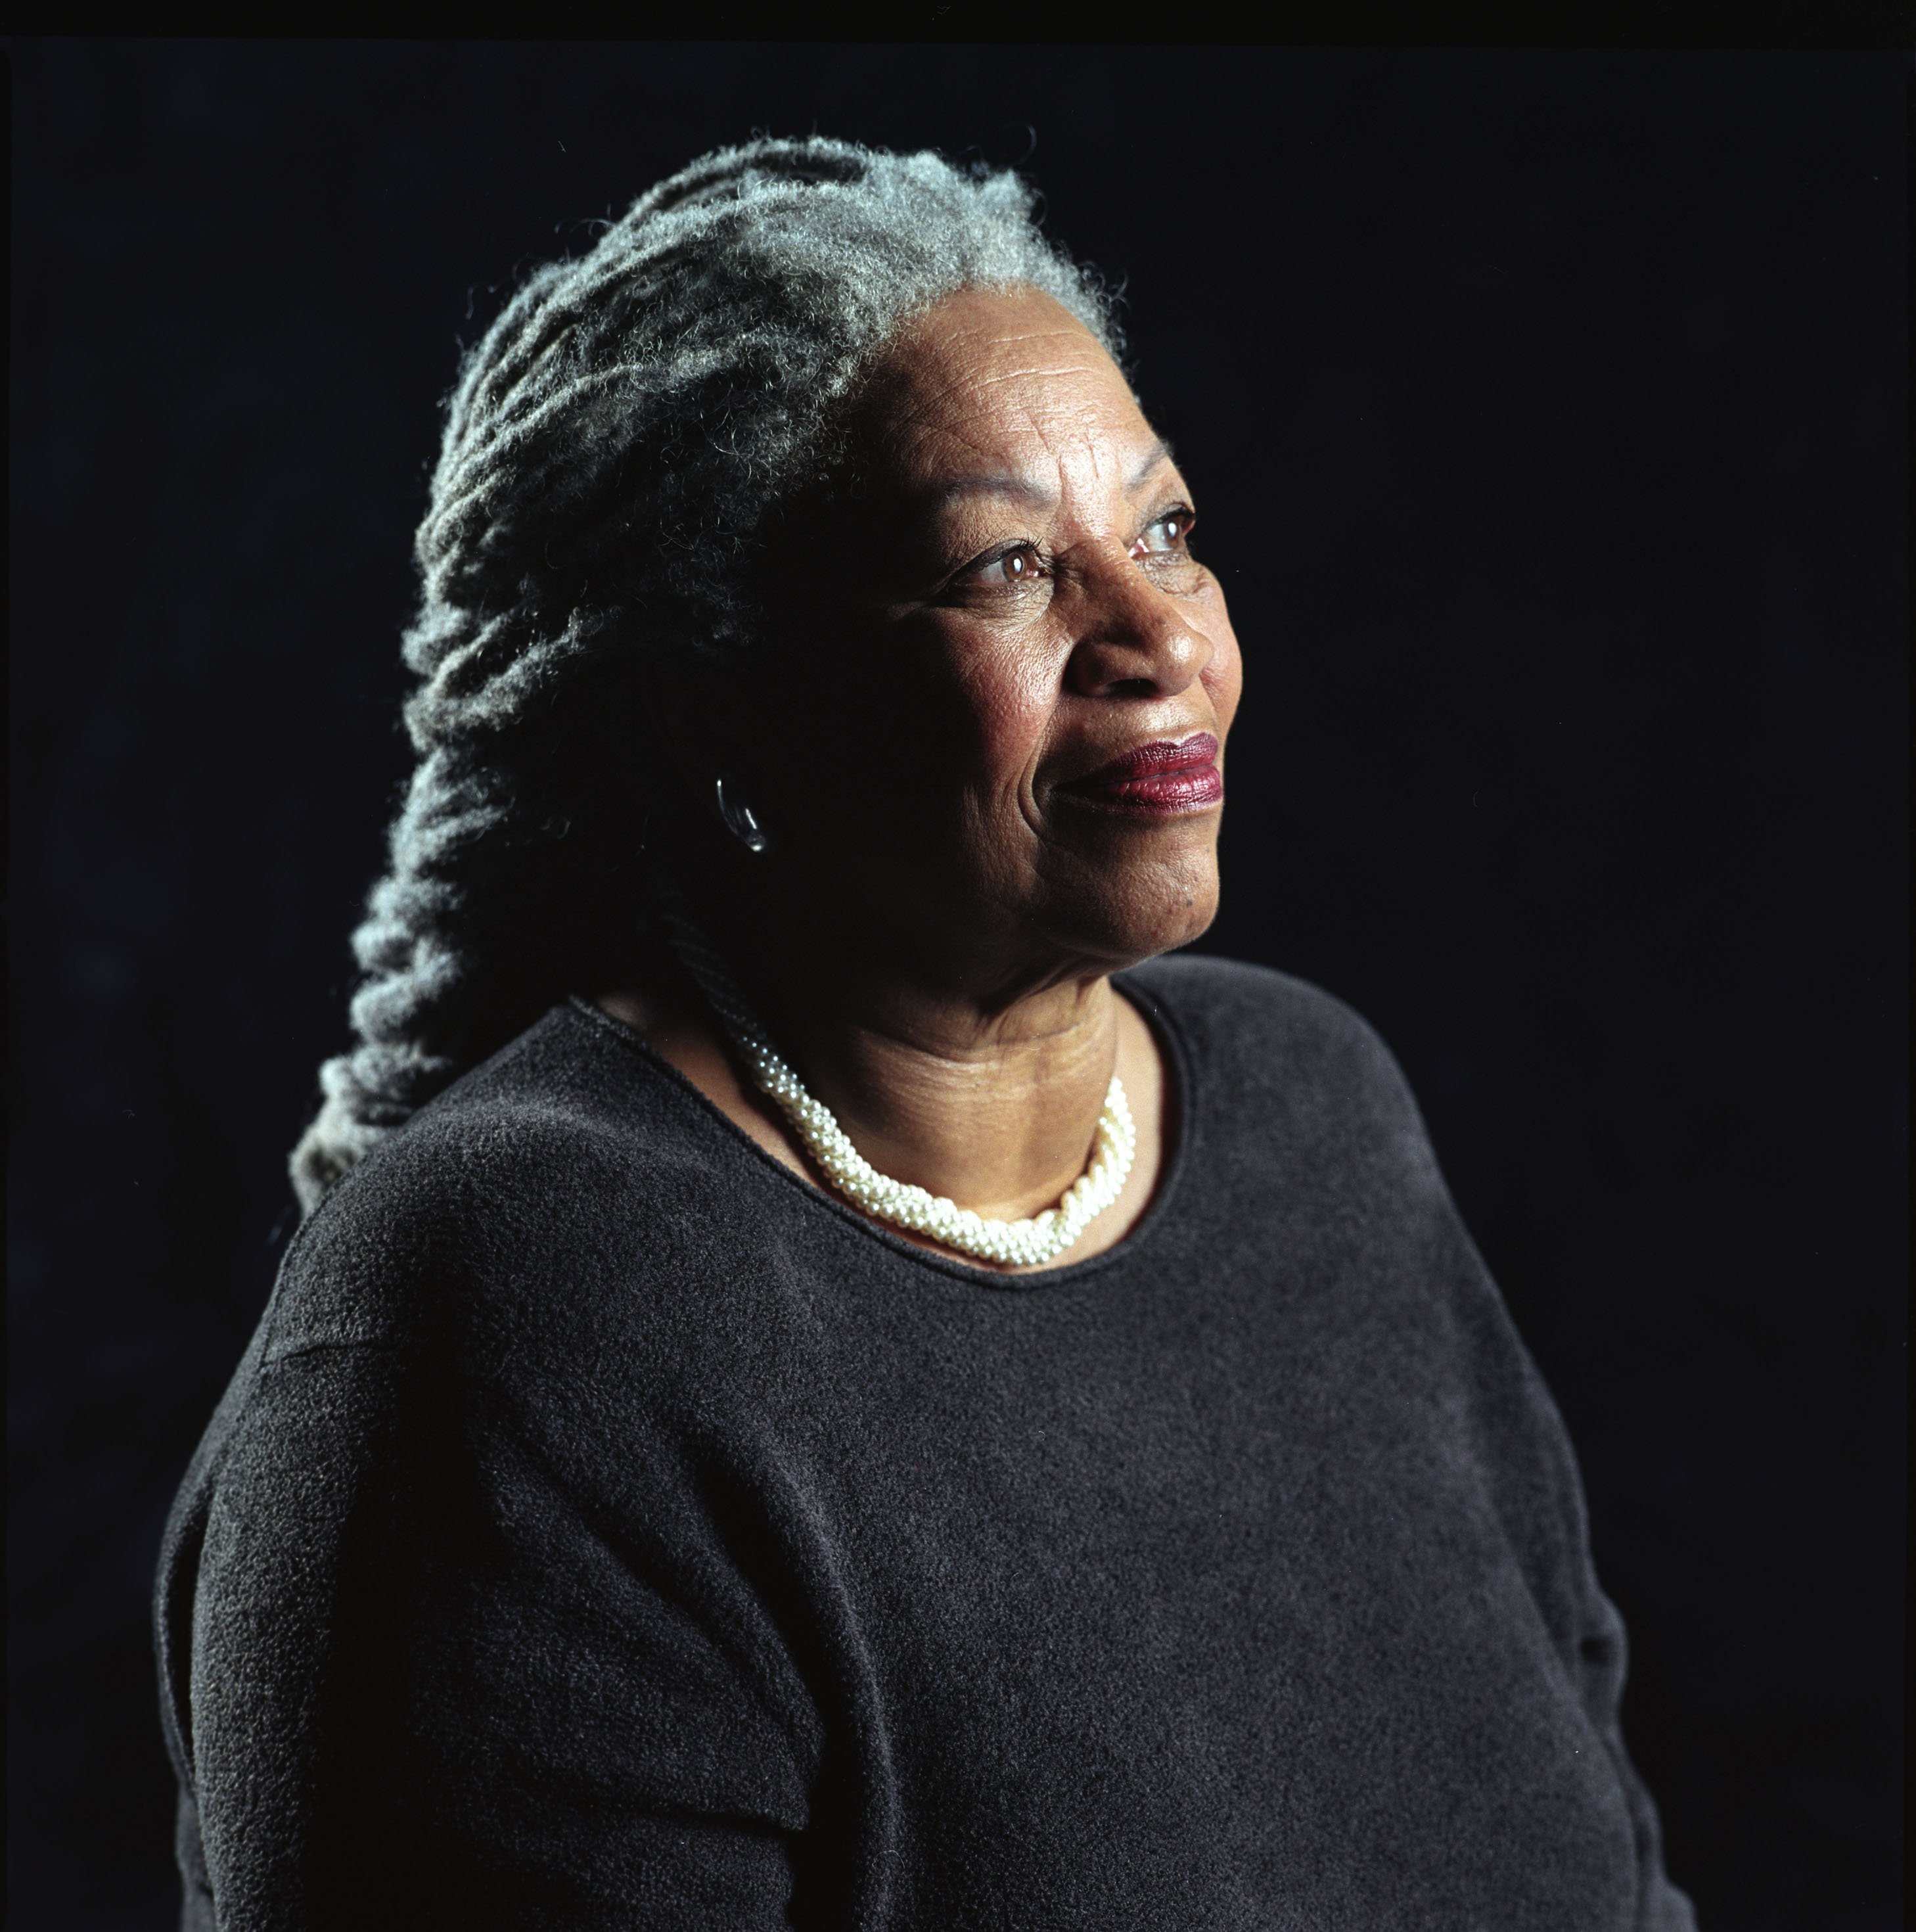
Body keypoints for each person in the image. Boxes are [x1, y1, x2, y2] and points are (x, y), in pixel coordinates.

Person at [154, 137, 1696, 1930]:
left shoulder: (1312, 1111)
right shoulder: (506, 1313)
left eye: (1164, 533)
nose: (1157, 641)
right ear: (720, 713)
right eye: (1006, 569)